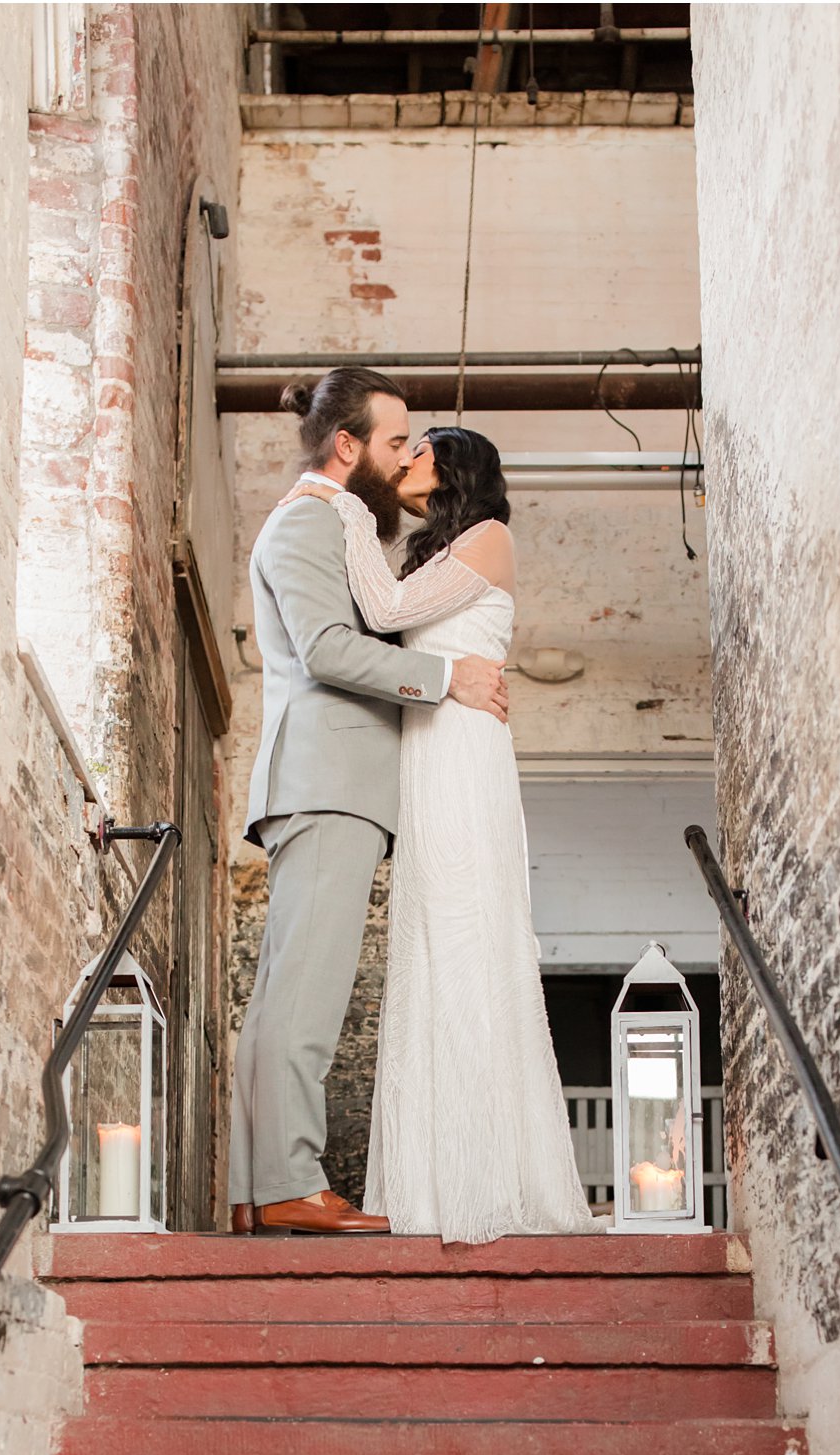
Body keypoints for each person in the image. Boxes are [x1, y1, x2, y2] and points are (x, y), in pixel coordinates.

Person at [280, 427, 596, 1243]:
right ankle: (426, 1179)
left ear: (452, 467)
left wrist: (342, 501)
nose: (404, 464)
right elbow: (379, 636)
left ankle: (484, 1179)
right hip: (422, 758)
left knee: (466, 942)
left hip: (462, 759)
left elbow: (382, 610)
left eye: (417, 452)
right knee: (425, 949)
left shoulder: (490, 537)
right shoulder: (433, 553)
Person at [230, 369, 510, 1236]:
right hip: (328, 779)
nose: (405, 461)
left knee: (288, 991)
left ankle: (258, 1186)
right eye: (395, 444)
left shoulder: (331, 523)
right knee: (306, 998)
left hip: (329, 781)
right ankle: (286, 1183)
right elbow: (325, 648)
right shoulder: (312, 519)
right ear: (347, 446)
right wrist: (445, 675)